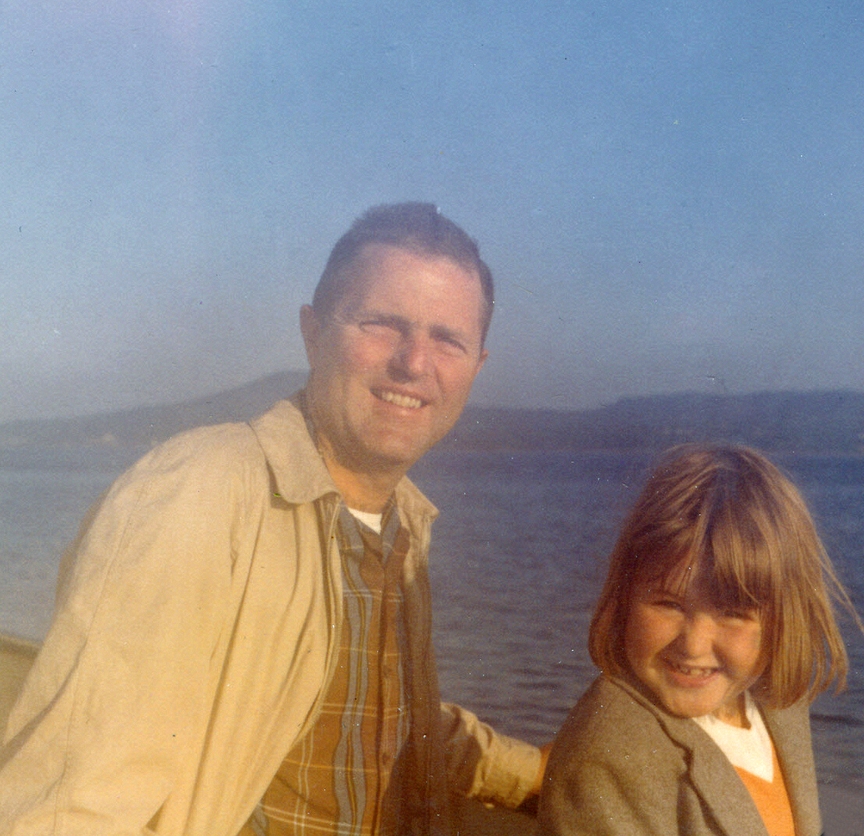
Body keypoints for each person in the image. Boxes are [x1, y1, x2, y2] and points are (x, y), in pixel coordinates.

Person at [0, 203, 543, 835]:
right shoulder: (199, 494)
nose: (414, 362)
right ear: (312, 334)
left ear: (475, 366)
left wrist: (527, 773)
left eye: (447, 339)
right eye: (381, 324)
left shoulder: (400, 525)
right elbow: (74, 802)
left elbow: (362, 714)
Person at [537, 443, 861, 836]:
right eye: (668, 604)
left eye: (733, 613)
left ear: (781, 621)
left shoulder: (775, 704)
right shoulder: (605, 763)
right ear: (625, 598)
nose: (693, 644)